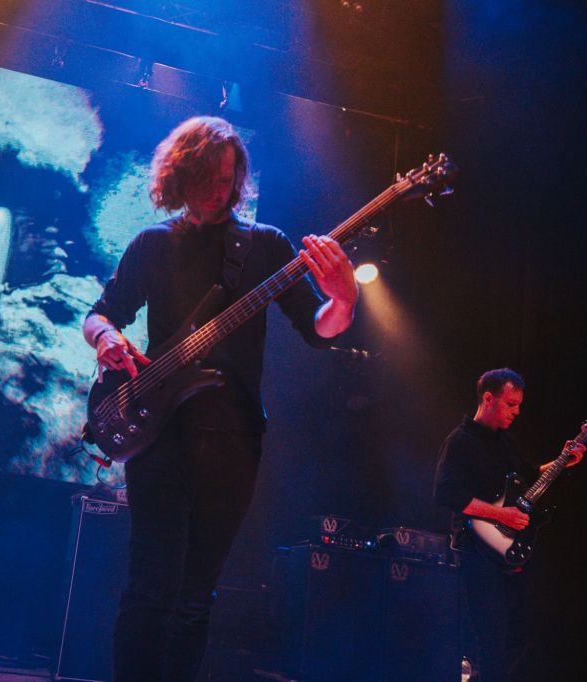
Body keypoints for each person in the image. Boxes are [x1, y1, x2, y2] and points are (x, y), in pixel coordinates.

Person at [83, 116, 359, 681]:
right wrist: (106, 338)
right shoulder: (153, 244)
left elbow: (317, 328)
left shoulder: (266, 245)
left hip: (234, 440)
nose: (219, 191)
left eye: (228, 180)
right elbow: (101, 314)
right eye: (208, 179)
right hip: (159, 433)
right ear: (180, 177)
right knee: (150, 586)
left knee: (196, 594)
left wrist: (345, 301)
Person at [433, 368, 586, 682]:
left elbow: (529, 476)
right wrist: (501, 515)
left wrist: (561, 461)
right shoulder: (460, 441)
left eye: (519, 405)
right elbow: (446, 493)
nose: (516, 412)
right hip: (475, 551)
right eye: (511, 404)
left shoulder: (504, 443)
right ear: (488, 399)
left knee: (519, 631)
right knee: (489, 637)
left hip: (505, 551)